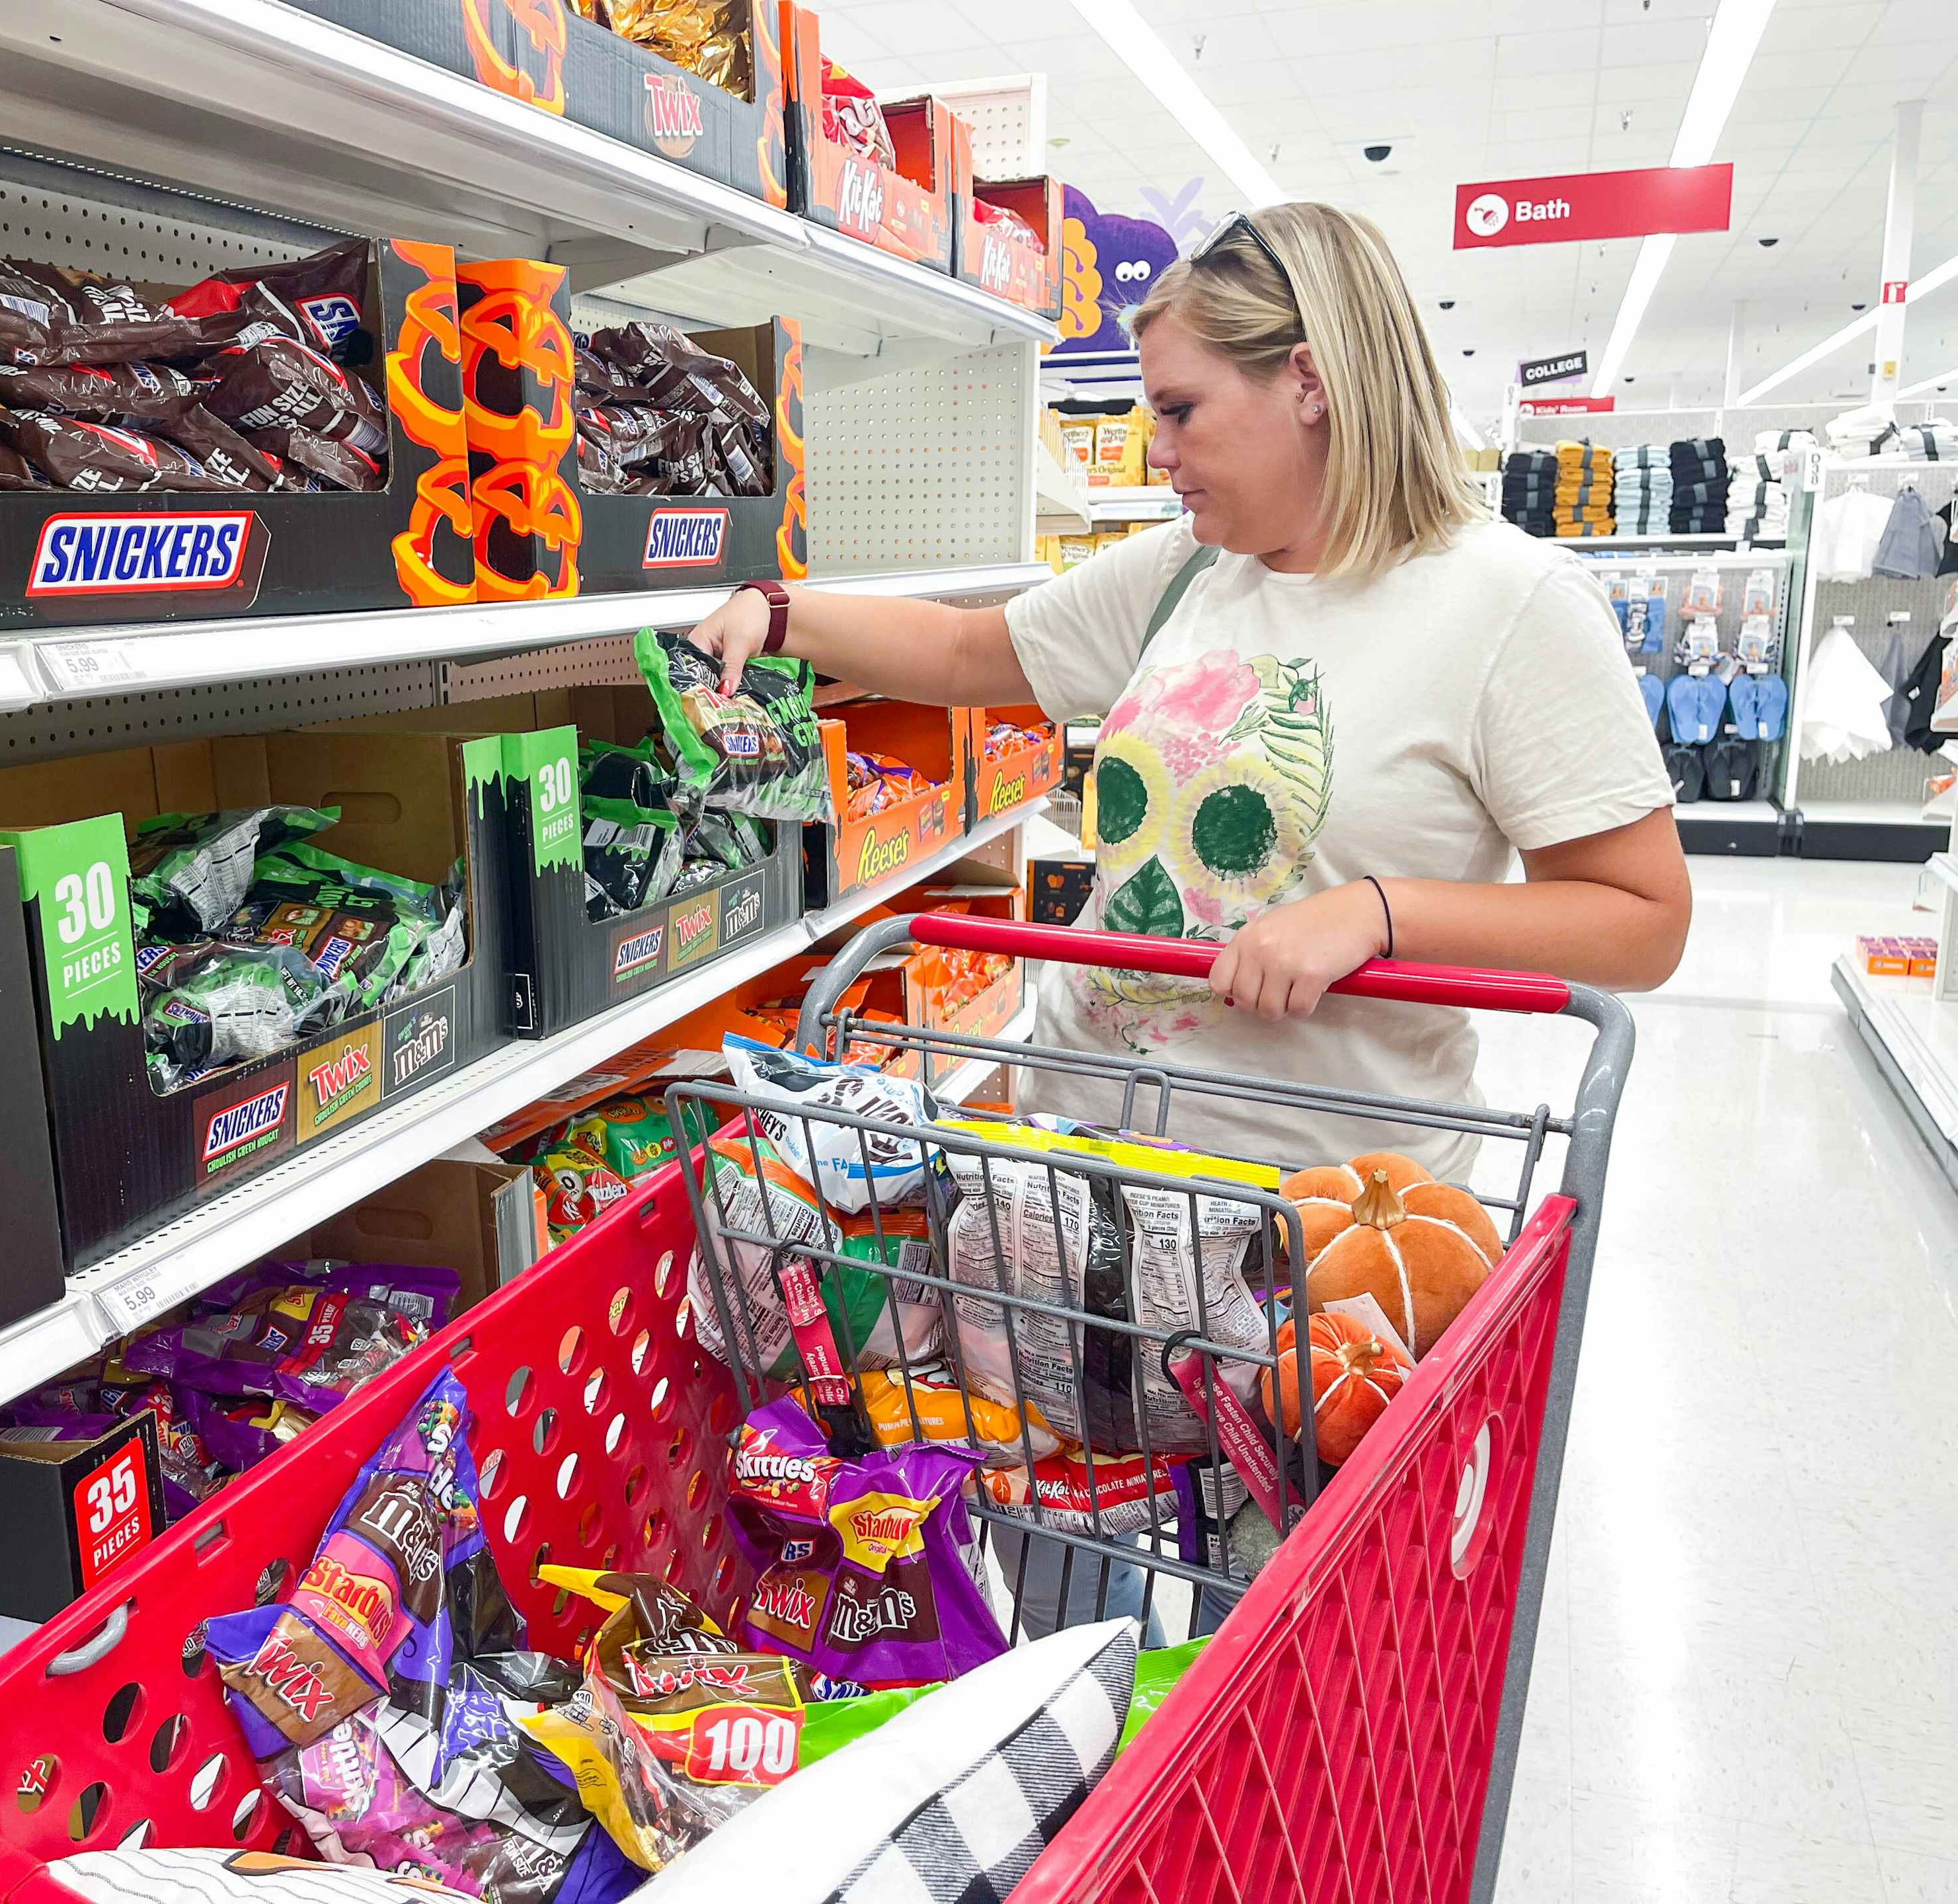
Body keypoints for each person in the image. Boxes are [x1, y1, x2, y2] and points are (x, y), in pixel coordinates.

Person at [689, 200, 1689, 1635]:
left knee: (1278, 1666)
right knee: (1076, 1625)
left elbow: (1643, 919)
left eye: (1179, 409)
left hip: (1310, 1256)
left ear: (1312, 384)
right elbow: (979, 650)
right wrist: (779, 617)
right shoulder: (1184, 575)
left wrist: (1380, 913)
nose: (1154, 450)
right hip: (1075, 1213)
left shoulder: (1511, 606)